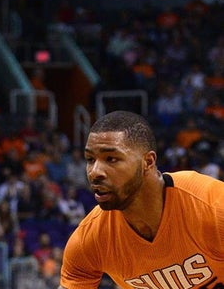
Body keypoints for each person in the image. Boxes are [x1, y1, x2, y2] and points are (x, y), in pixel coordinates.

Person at [58, 110, 224, 289]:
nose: (94, 172)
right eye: (90, 159)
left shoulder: (212, 207)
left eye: (111, 159)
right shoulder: (90, 241)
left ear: (148, 162)